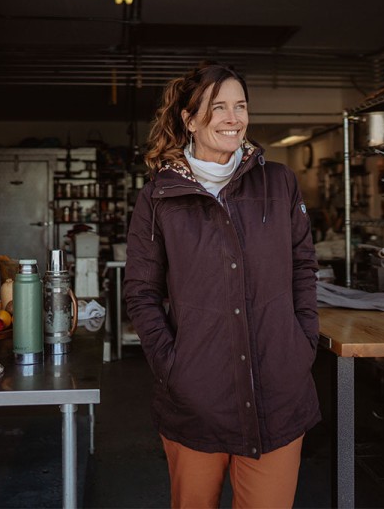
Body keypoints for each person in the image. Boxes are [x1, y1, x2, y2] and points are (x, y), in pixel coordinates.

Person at [123, 61, 320, 508]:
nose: (233, 118)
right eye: (218, 108)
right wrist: (174, 366)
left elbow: (303, 267)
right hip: (197, 399)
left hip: (278, 392)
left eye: (241, 106)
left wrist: (302, 342)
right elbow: (141, 292)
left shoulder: (278, 182)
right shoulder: (159, 197)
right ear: (189, 120)